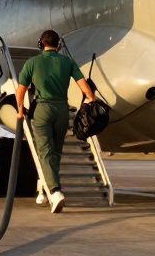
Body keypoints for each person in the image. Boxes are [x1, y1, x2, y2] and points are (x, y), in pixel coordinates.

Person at [15, 29, 98, 214]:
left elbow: (20, 91)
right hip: (62, 110)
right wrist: (92, 100)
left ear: (40, 44)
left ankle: (55, 191)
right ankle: (44, 190)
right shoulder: (67, 62)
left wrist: (20, 110)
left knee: (44, 152)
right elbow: (83, 84)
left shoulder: (32, 63)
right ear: (58, 45)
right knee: (55, 153)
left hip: (42, 110)